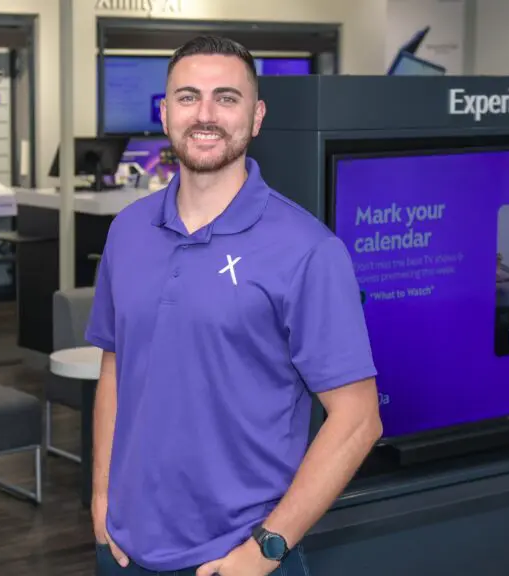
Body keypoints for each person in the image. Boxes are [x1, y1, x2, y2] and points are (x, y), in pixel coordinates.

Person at [86, 35, 382, 576]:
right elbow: (114, 366)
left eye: (226, 97)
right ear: (165, 111)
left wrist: (269, 547)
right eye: (187, 96)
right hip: (125, 551)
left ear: (257, 115)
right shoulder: (127, 231)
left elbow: (359, 419)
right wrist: (102, 499)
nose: (205, 114)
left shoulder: (308, 249)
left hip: (237, 557)